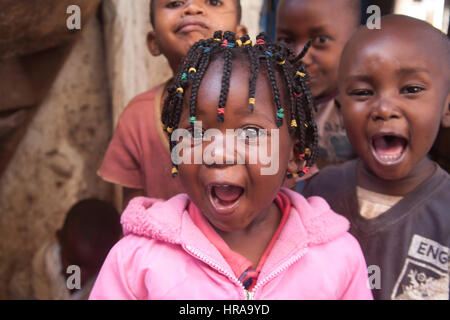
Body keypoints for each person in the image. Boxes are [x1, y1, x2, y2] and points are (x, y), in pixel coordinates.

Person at [89, 32, 372, 300]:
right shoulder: (136, 259)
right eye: (197, 132)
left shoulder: (337, 258)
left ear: (295, 155)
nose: (219, 153)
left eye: (249, 133)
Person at [303, 15, 450, 300]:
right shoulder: (319, 192)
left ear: (447, 106)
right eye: (362, 92)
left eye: (411, 90)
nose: (384, 108)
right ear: (342, 110)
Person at [98, 0, 247, 208]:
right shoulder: (138, 117)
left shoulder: (263, 110)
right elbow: (134, 218)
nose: (192, 9)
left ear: (240, 36)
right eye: (175, 3)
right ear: (154, 42)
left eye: (213, 2)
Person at [275, 0, 361, 171]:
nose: (301, 56)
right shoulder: (269, 100)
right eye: (286, 40)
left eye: (321, 40)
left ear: (355, 41)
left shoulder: (362, 107)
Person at [9, 199, 121, 300]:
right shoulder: (44, 263)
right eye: (73, 262)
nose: (79, 274)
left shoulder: (109, 278)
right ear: (60, 239)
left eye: (92, 267)